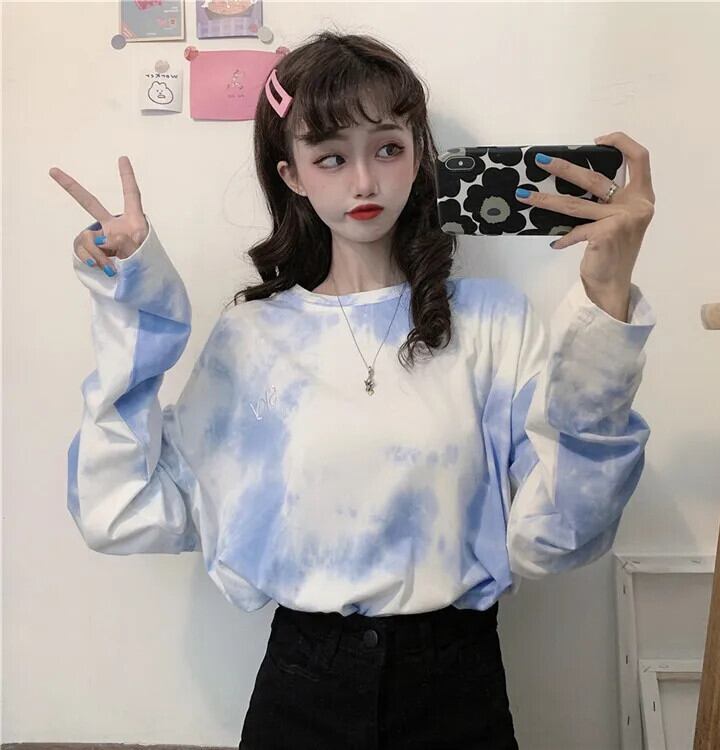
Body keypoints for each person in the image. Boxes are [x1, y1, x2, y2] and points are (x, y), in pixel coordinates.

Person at [51, 29, 656, 750]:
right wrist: (135, 310)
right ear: (293, 175)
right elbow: (121, 512)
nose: (364, 182)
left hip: (458, 693)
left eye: (388, 149)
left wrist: (607, 293)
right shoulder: (253, 338)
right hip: (301, 695)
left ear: (418, 157)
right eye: (331, 157)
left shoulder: (493, 322)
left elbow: (559, 535)